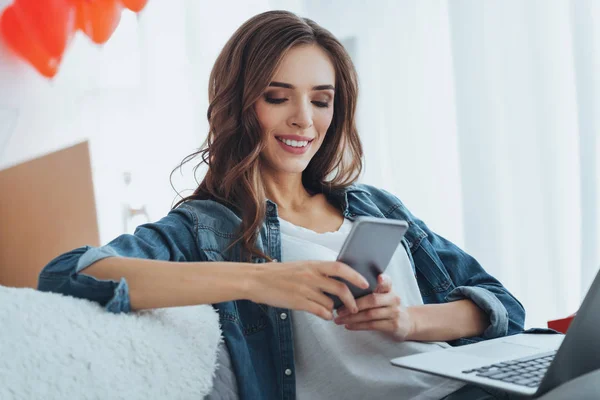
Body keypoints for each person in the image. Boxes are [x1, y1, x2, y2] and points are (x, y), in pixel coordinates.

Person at [38, 10, 525, 400]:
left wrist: (408, 321)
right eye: (277, 97)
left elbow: (502, 307)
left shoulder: (375, 206)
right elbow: (70, 274)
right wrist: (263, 279)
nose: (304, 121)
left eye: (321, 100)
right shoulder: (206, 229)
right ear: (239, 103)